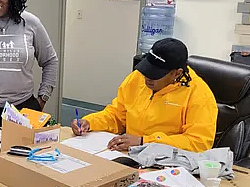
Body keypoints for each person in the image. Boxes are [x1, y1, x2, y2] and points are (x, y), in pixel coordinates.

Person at [71, 38, 218, 153]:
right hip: (127, 154)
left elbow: (199, 142)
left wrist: (144, 141)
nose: (147, 78)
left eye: (155, 75)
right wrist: (90, 122)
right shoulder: (137, 78)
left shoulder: (199, 95)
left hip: (166, 164)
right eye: (147, 70)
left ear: (177, 73)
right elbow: (117, 115)